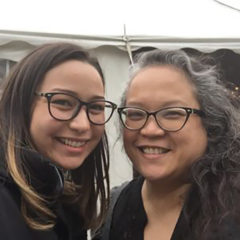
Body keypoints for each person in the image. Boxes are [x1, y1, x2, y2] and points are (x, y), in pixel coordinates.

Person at [98, 49, 240, 240]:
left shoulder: (232, 208)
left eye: (172, 113)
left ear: (210, 124)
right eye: (136, 113)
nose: (150, 130)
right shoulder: (116, 206)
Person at [0, 42, 117, 240]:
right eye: (63, 102)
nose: (82, 125)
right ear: (22, 103)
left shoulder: (61, 195)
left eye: (96, 107)